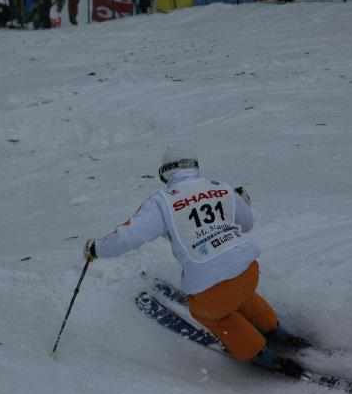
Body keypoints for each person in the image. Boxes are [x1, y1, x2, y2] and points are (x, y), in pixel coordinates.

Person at [84, 146, 311, 378]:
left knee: (207, 312)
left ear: (165, 173)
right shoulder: (220, 187)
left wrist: (96, 248)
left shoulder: (162, 202)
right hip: (248, 273)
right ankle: (277, 332)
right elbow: (247, 223)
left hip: (212, 291)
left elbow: (128, 237)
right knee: (241, 295)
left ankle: (261, 354)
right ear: (195, 166)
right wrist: (240, 203)